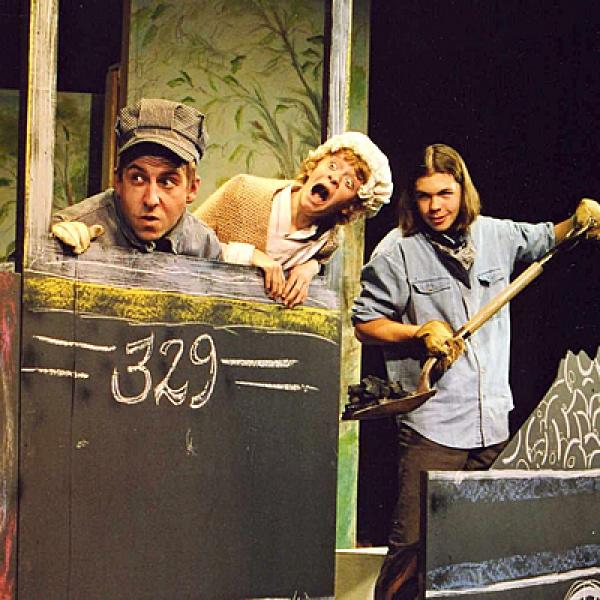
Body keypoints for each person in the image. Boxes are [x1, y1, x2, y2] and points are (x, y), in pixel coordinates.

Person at [351, 143, 600, 600]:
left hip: (492, 422)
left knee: (487, 541)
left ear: (463, 190)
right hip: (433, 425)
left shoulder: (497, 236)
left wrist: (581, 220)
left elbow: (548, 237)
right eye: (425, 196)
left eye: (445, 193)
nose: (435, 207)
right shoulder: (397, 250)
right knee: (413, 544)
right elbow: (364, 323)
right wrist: (417, 332)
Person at [195, 131, 393, 307]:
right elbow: (185, 241)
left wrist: (309, 268)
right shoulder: (243, 191)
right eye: (332, 165)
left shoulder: (328, 240)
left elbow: (320, 258)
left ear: (350, 207)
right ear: (315, 166)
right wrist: (249, 255)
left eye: (349, 182)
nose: (335, 178)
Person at [51, 98, 222, 260]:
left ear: (191, 189)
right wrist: (54, 246)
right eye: (138, 179)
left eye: (167, 182)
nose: (151, 199)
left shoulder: (205, 246)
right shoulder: (73, 228)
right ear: (118, 181)